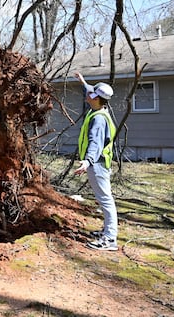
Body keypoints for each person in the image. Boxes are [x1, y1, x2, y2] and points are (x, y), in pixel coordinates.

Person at [73, 72, 118, 251]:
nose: (87, 94)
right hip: (97, 163)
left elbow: (96, 143)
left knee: (105, 199)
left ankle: (110, 239)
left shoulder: (98, 119)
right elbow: (90, 89)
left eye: (91, 94)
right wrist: (83, 81)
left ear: (97, 98)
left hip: (97, 163)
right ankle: (107, 232)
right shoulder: (98, 109)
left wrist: (87, 161)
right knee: (103, 199)